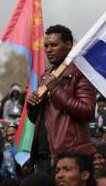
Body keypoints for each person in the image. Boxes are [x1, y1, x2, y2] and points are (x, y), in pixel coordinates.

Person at [27, 24, 96, 172]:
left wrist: (56, 89)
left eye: (54, 45)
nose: (48, 50)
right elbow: (43, 119)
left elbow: (88, 111)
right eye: (46, 46)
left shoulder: (80, 72)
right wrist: (32, 107)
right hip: (43, 155)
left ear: (69, 44)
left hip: (68, 155)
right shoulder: (46, 76)